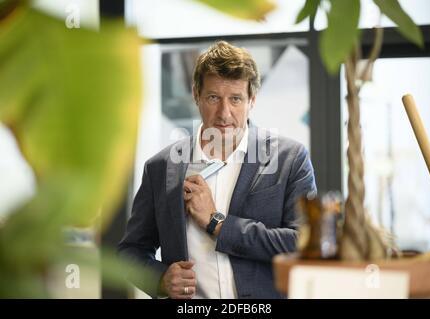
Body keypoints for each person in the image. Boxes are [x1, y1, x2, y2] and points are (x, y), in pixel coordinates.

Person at [118, 40, 316, 299]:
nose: (225, 113)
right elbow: (131, 251)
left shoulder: (291, 159)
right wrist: (161, 279)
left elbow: (303, 244)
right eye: (213, 97)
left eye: (236, 99)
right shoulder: (161, 167)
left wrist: (217, 223)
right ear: (196, 95)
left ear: (252, 100)